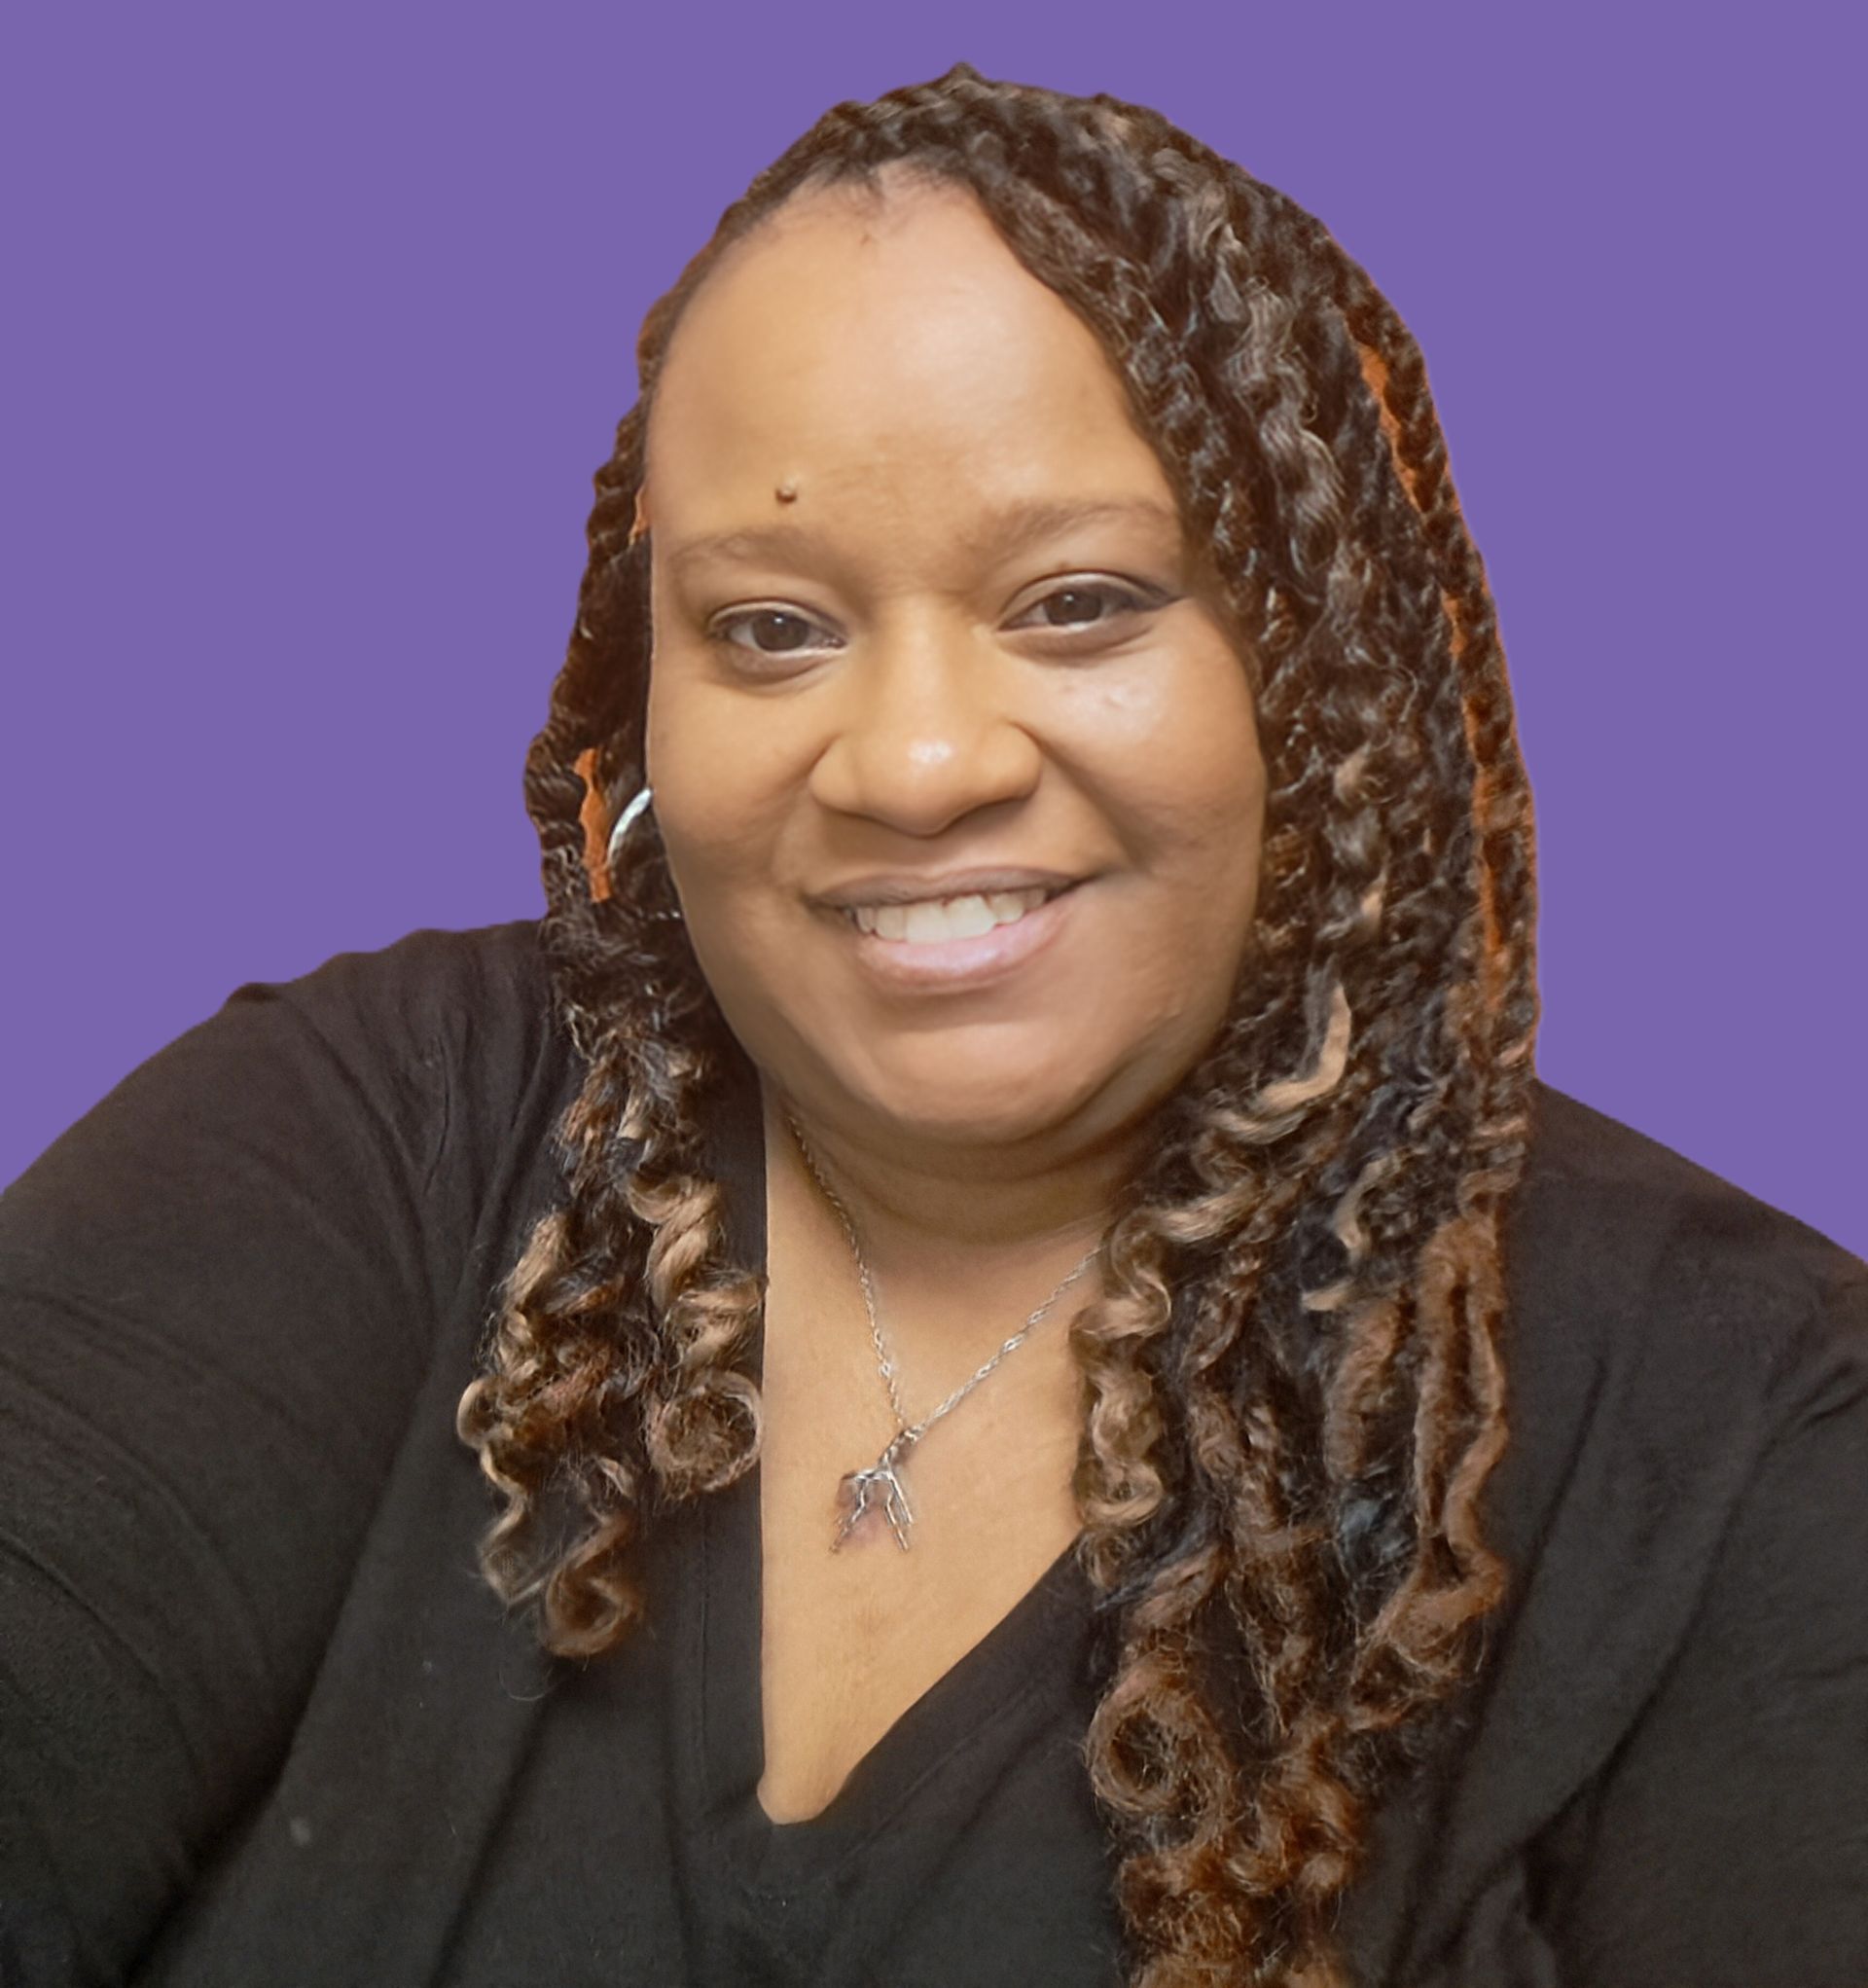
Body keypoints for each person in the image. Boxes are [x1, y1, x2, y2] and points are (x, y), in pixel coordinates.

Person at [2, 59, 1863, 1988]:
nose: (909, 762)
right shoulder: (365, 1140)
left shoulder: (1748, 1438)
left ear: (1322, 676)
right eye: (772, 628)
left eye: (1075, 602)